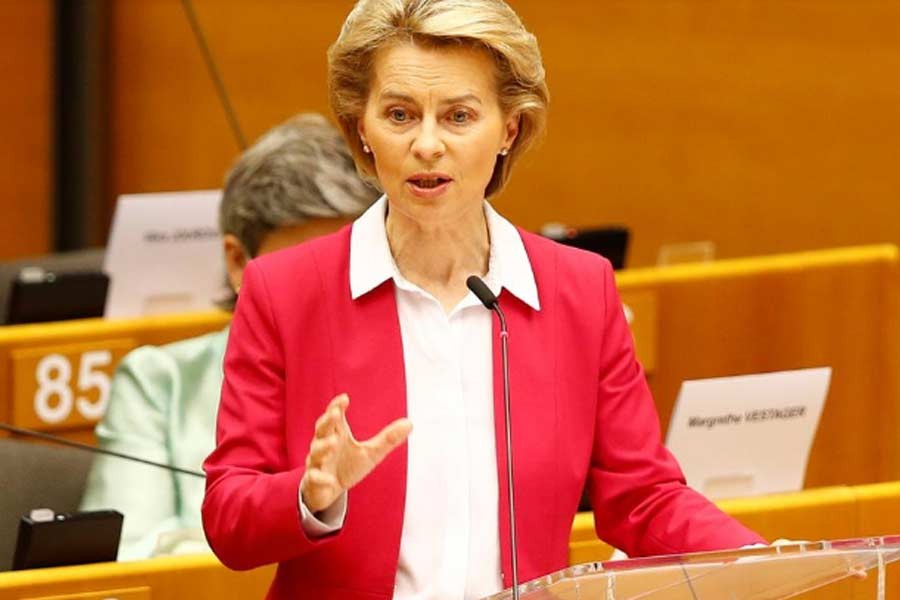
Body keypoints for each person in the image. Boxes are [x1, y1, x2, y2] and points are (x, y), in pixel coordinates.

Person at [202, 1, 766, 598]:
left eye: (459, 116)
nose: (426, 144)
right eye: (399, 114)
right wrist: (310, 493)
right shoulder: (285, 292)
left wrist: (759, 559)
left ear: (509, 130)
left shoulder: (579, 292)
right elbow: (228, 519)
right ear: (360, 130)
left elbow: (642, 498)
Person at [79, 113, 379, 560]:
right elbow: (126, 554)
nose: (331, 285)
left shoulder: (410, 358)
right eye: (304, 263)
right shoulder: (159, 382)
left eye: (349, 258)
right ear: (239, 261)